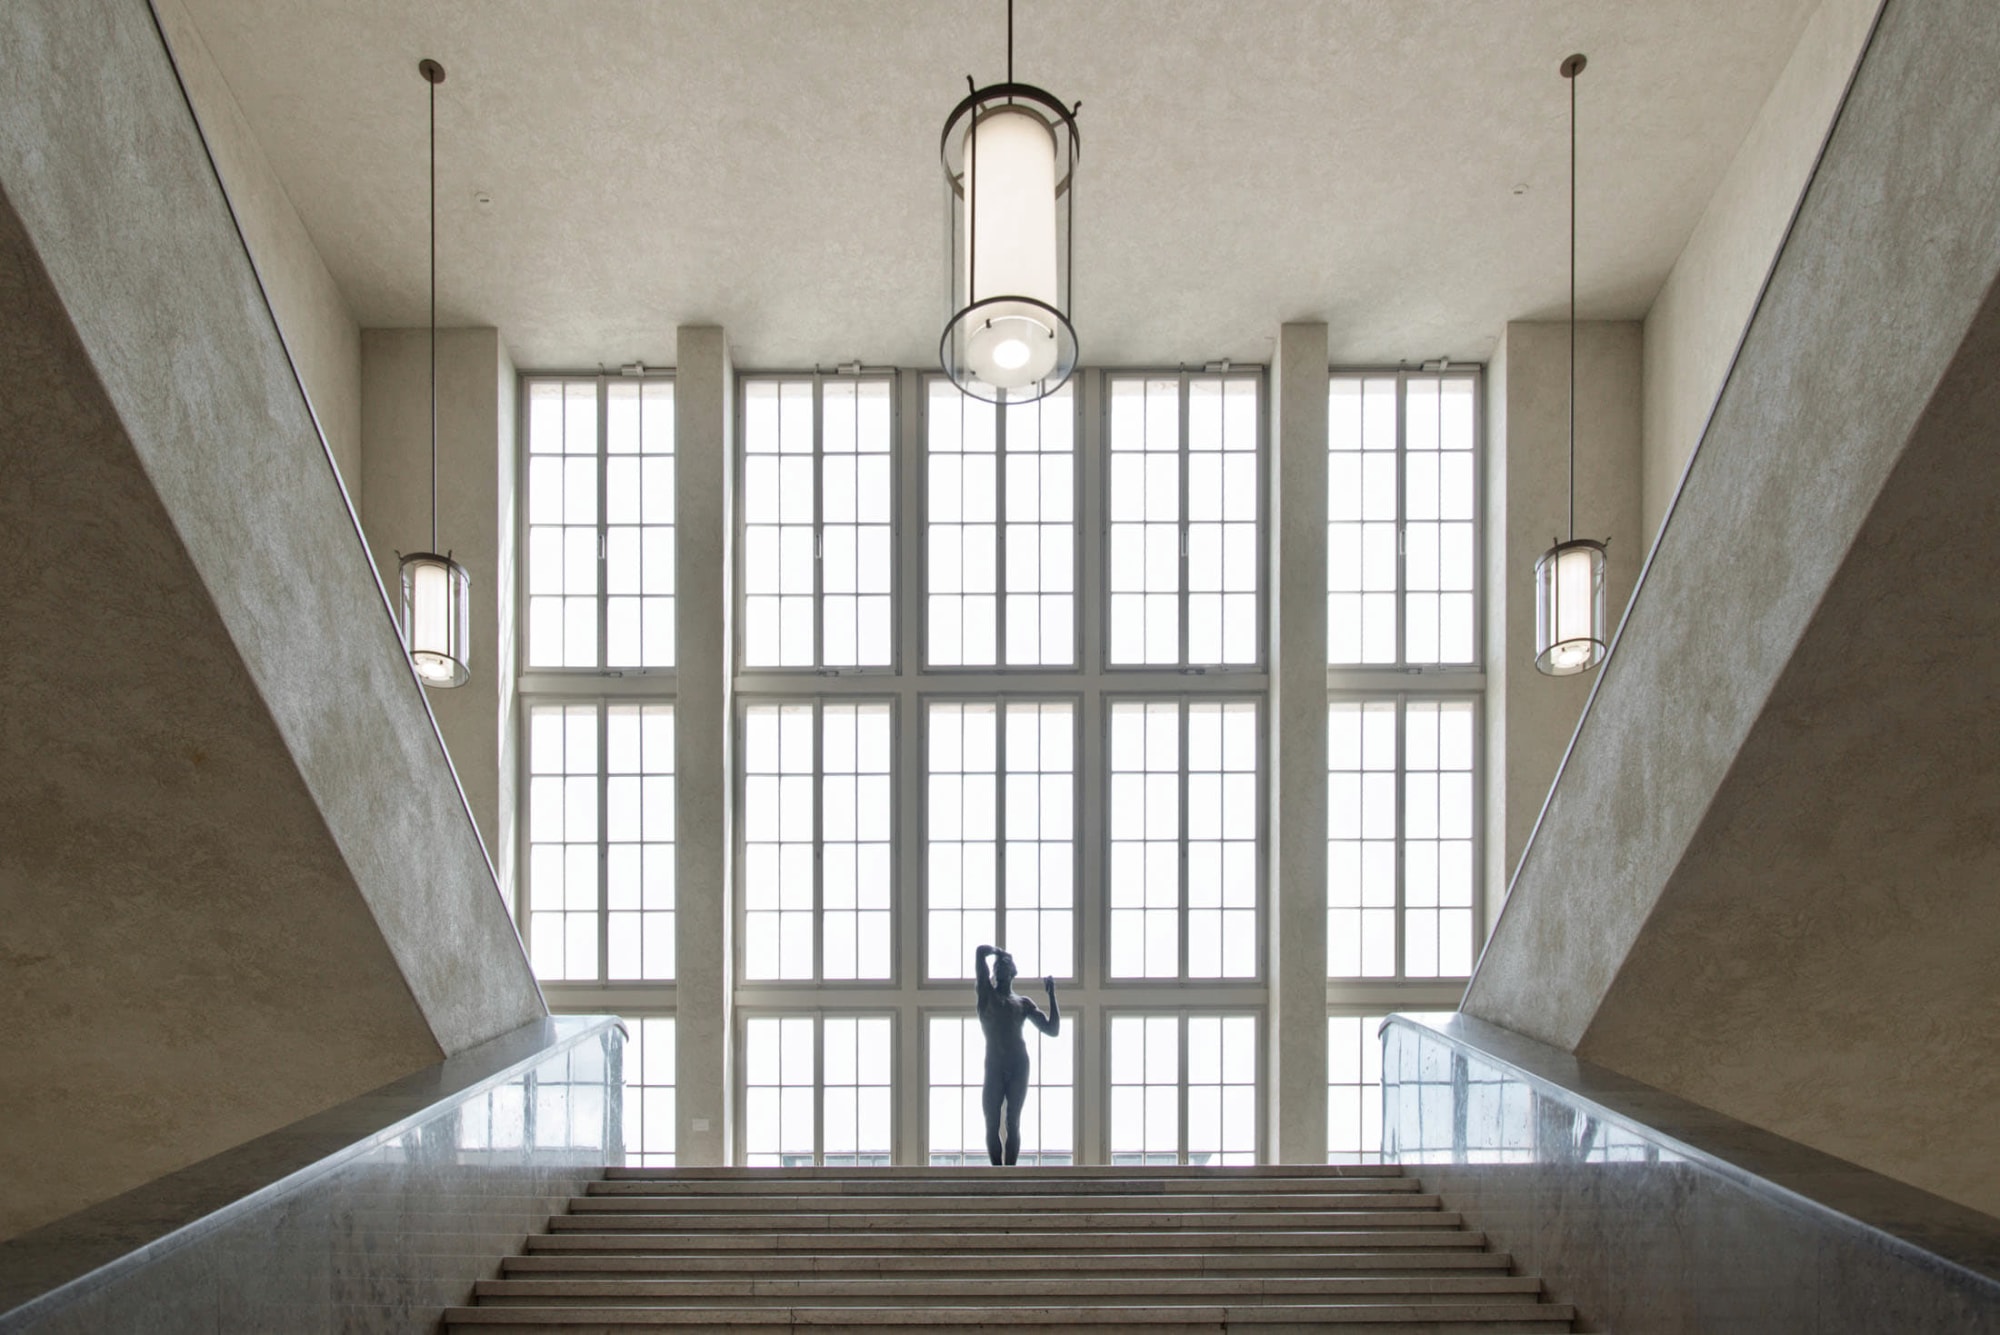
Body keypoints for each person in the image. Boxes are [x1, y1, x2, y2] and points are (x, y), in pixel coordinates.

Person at [973, 944, 1059, 1166]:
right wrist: (999, 952)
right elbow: (980, 952)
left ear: (1013, 971)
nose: (1000, 966)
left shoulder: (1023, 1003)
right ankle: (997, 1175)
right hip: (994, 1065)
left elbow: (1052, 1030)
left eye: (1005, 963)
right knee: (991, 1122)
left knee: (1013, 1121)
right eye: (997, 965)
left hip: (1018, 1064)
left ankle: (1011, 1174)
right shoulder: (986, 994)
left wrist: (1052, 996)